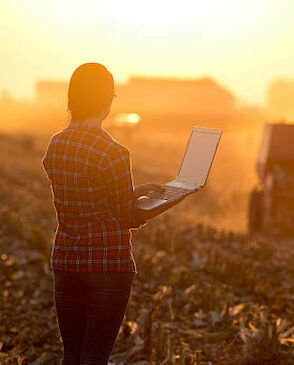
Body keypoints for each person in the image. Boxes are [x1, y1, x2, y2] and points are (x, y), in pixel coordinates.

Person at [42, 63, 164, 364]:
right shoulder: (114, 153)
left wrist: (134, 193)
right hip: (107, 267)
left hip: (66, 263)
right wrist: (161, 203)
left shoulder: (55, 145)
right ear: (107, 101)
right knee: (95, 357)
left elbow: (87, 197)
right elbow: (125, 216)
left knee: (72, 355)